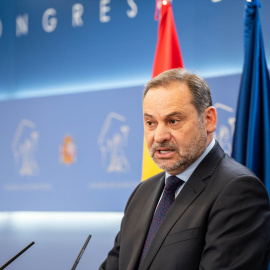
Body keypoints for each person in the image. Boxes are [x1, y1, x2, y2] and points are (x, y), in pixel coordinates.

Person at [99, 68, 270, 270]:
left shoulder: (239, 191)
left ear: (209, 120)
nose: (159, 135)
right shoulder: (142, 193)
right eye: (150, 123)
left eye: (173, 121)